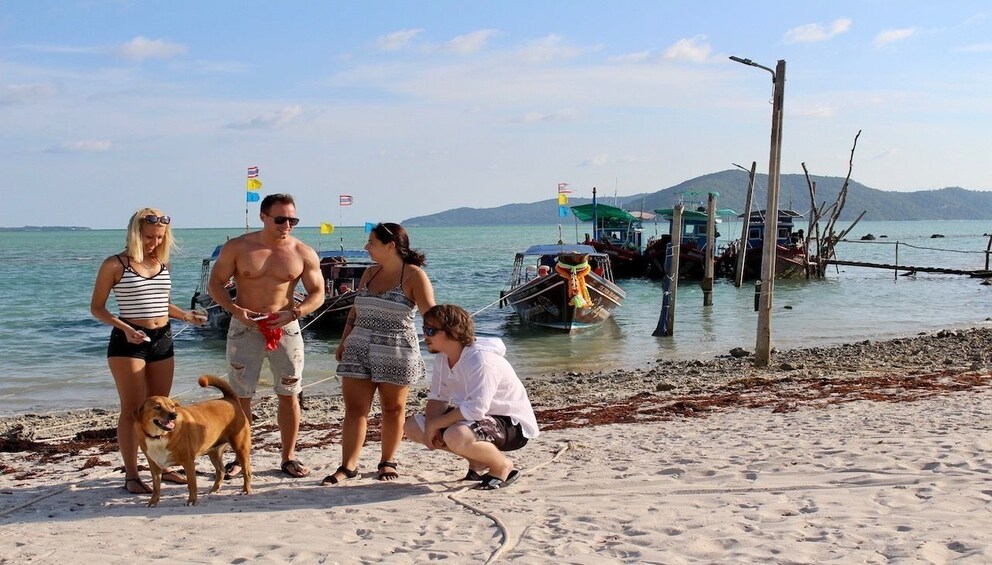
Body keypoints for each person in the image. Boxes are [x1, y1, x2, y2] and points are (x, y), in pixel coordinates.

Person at [90, 207, 208, 494]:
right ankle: (132, 474)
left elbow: (162, 304)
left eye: (158, 237)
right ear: (135, 233)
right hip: (128, 340)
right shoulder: (115, 264)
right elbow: (97, 308)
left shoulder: (161, 264)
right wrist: (125, 328)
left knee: (162, 410)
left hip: (163, 339)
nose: (153, 242)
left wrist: (186, 316)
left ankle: (160, 466)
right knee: (133, 411)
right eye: (148, 236)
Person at [207, 193, 324, 479]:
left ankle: (289, 456)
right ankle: (240, 456)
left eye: (292, 220)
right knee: (241, 395)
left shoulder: (303, 252)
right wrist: (234, 309)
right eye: (280, 219)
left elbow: (317, 293)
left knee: (289, 393)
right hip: (245, 327)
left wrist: (295, 312)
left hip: (285, 327)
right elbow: (215, 285)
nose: (287, 225)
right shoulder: (238, 247)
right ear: (263, 217)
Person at [324, 222, 435, 485]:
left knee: (393, 409)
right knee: (354, 410)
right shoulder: (370, 273)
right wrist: (343, 343)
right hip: (358, 348)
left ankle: (387, 461)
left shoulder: (414, 275)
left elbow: (430, 313)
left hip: (397, 349)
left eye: (371, 243)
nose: (366, 248)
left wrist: (444, 341)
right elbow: (354, 312)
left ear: (391, 245)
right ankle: (348, 466)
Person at [404, 304, 539, 490]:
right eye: (424, 329)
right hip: (475, 419)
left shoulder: (481, 359)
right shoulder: (444, 358)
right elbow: (439, 398)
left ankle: (502, 466)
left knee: (455, 435)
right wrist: (430, 427)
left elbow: (476, 409)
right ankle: (477, 462)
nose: (425, 336)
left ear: (453, 332)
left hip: (511, 424)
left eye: (430, 330)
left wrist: (436, 424)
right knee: (413, 426)